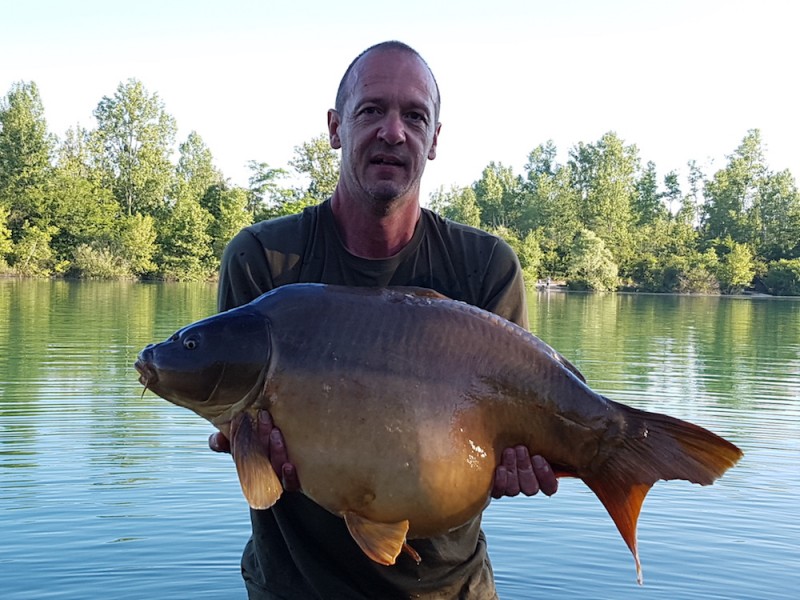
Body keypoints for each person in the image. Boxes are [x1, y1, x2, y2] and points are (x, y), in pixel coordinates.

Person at [209, 40, 558, 600]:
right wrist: (245, 441)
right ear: (335, 127)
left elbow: (508, 444)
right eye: (371, 110)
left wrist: (519, 462)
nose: (394, 132)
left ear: (435, 139)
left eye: (415, 115)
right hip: (295, 588)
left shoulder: (485, 268)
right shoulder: (263, 260)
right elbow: (248, 448)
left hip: (448, 589)